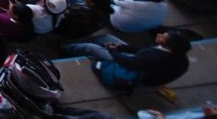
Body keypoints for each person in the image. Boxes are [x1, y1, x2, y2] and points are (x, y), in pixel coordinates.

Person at [64, 30, 192, 89]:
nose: (159, 36)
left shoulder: (157, 58)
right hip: (139, 62)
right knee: (107, 37)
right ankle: (78, 43)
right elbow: (141, 50)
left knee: (91, 48)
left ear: (168, 45)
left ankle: (66, 48)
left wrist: (113, 51)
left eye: (163, 37)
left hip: (135, 72)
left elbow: (129, 63)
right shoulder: (172, 52)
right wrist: (122, 47)